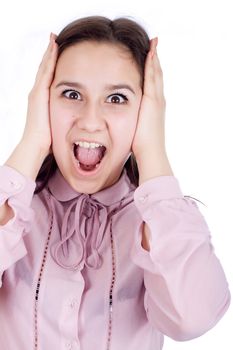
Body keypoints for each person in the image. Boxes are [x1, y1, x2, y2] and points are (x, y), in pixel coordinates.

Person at [0, 15, 230, 350]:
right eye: (71, 94)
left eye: (117, 99)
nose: (91, 121)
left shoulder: (158, 227)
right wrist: (32, 142)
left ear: (145, 111)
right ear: (43, 100)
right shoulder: (15, 214)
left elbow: (194, 318)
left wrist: (152, 150)